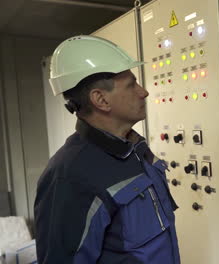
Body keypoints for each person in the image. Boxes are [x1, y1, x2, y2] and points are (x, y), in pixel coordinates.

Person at [34, 35, 180, 263]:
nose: (144, 92)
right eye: (131, 85)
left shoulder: (134, 150)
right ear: (101, 100)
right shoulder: (70, 176)